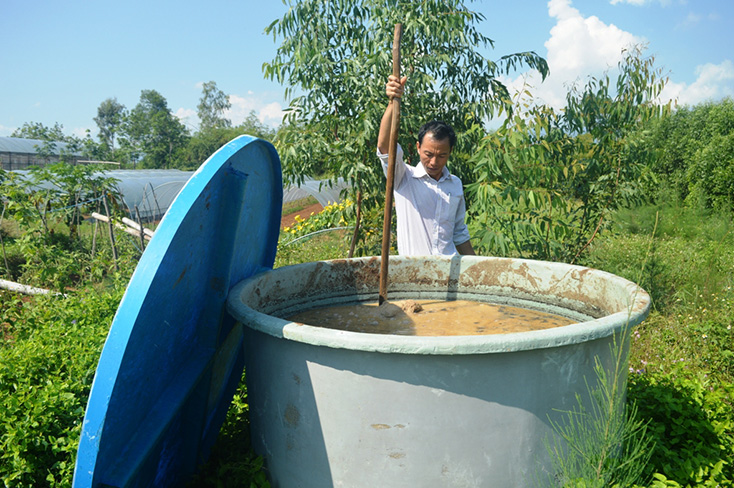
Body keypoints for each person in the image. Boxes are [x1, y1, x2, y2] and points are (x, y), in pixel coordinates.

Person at [376, 75, 476, 257]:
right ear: (418, 147)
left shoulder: (455, 184)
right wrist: (392, 103)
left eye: (442, 156)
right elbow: (384, 147)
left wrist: (477, 269)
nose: (434, 162)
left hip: (449, 273)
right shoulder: (403, 177)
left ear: (450, 152)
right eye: (428, 154)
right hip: (414, 275)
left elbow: (459, 233)